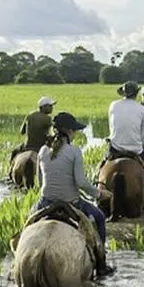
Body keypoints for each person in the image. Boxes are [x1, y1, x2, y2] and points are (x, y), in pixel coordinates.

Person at [34, 111, 113, 276]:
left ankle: (15, 264)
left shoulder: (42, 151)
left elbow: (40, 183)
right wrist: (98, 195)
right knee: (99, 217)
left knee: (26, 226)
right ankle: (102, 265)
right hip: (72, 203)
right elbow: (81, 182)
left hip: (45, 202)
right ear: (69, 132)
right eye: (74, 130)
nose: (76, 133)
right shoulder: (74, 151)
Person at [104, 82, 144, 168]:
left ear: (123, 93)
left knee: (100, 168)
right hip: (136, 149)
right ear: (136, 93)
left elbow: (111, 127)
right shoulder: (143, 109)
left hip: (115, 147)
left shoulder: (113, 105)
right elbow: (143, 135)